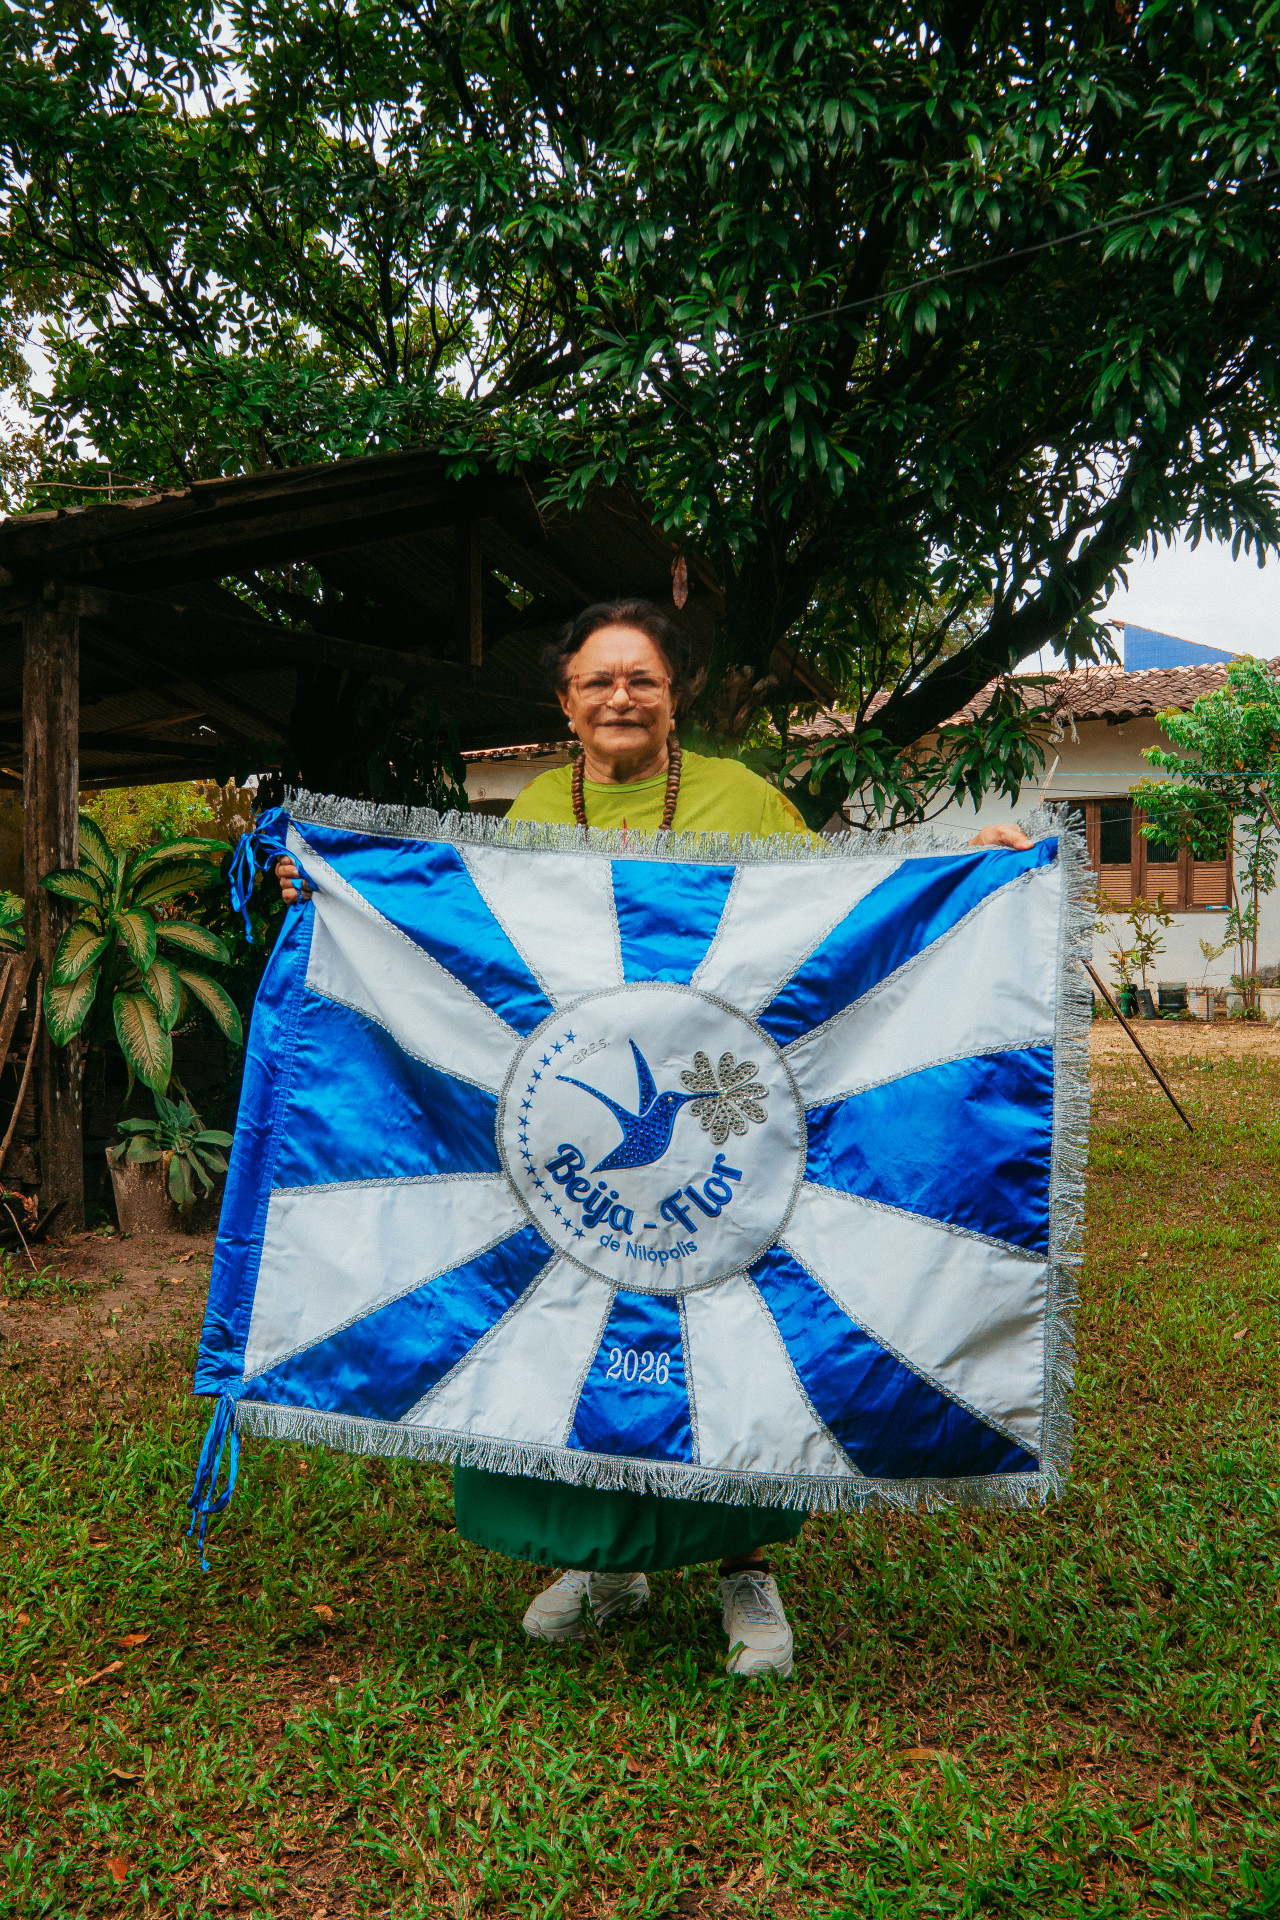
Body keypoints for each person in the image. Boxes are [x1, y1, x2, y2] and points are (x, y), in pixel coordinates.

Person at [277, 596, 1032, 1677]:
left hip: (723, 1144)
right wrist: (332, 892)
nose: (619, 697)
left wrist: (969, 871)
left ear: (674, 700)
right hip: (571, 1134)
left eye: (641, 680)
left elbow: (830, 930)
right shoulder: (536, 803)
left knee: (728, 1343)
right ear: (565, 701)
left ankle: (745, 1568)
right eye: (597, 681)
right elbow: (473, 949)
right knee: (575, 1330)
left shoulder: (743, 799)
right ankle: (605, 1561)